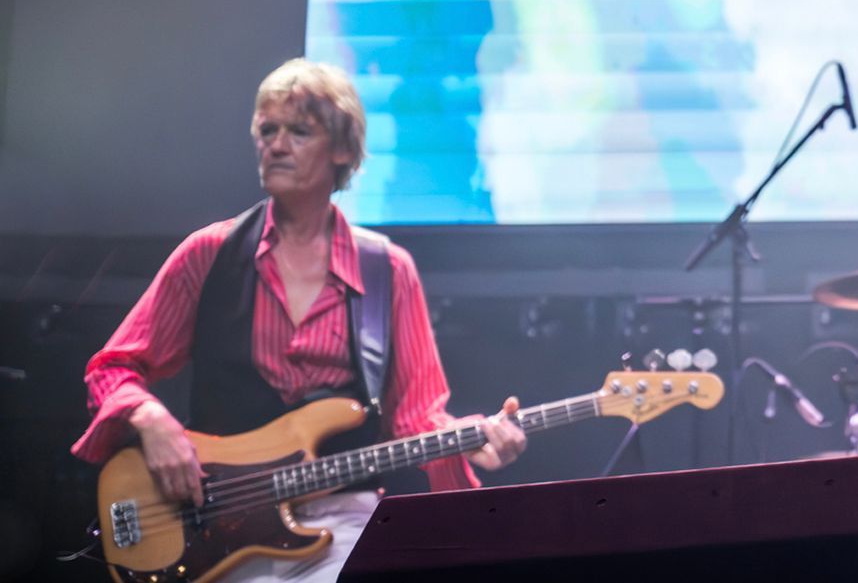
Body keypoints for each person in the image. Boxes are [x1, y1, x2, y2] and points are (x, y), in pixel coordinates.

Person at [72, 59, 526, 580]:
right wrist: (152, 422)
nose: (276, 145)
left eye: (298, 131)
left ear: (341, 150)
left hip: (346, 526)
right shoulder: (209, 253)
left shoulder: (387, 270)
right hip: (212, 528)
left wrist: (477, 436)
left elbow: (419, 418)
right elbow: (111, 368)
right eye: (267, 130)